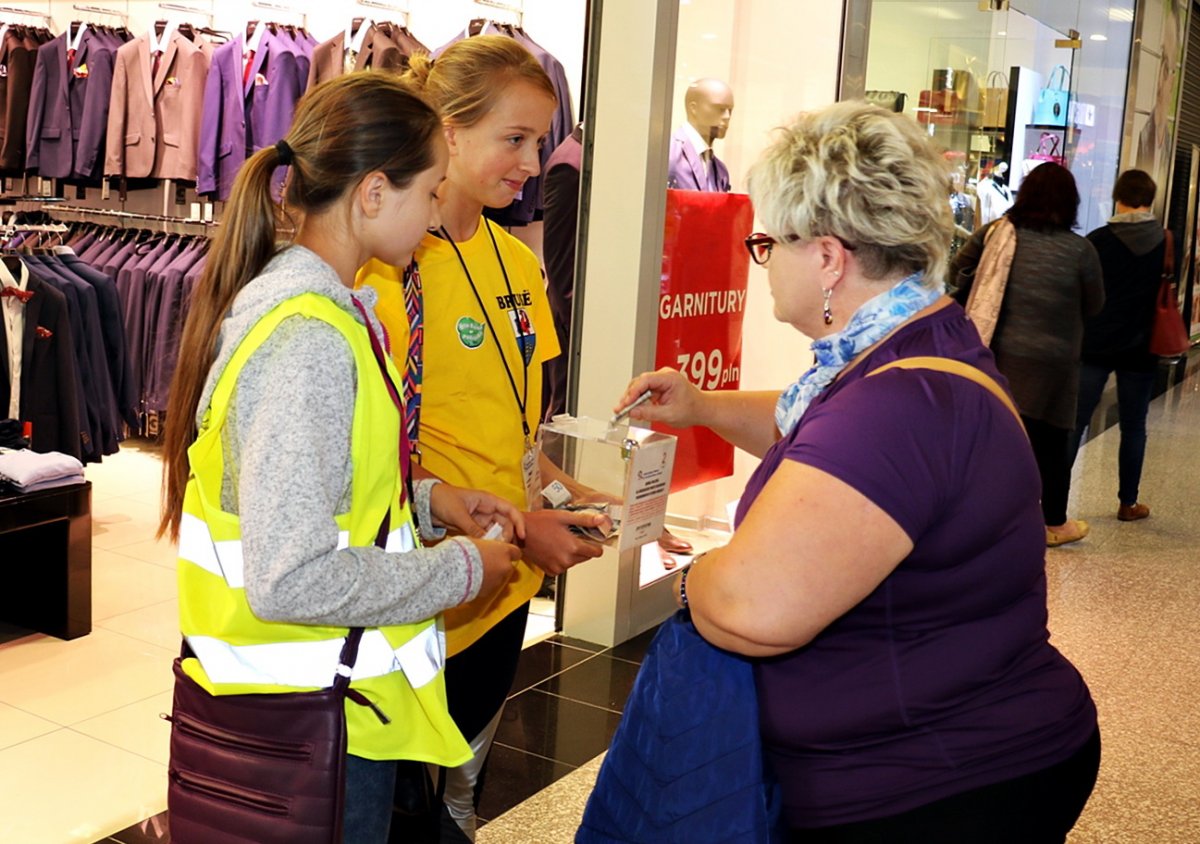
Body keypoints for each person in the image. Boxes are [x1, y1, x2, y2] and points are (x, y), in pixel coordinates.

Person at [615, 101, 1099, 841]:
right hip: (963, 751)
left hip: (936, 783)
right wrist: (703, 406)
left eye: (768, 242)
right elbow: (816, 427)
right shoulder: (912, 343)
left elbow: (752, 608)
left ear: (828, 258)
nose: (763, 262)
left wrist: (686, 578)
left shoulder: (902, 403)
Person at [158, 73, 526, 843]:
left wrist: (428, 503)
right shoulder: (309, 340)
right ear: (373, 193)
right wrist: (461, 571)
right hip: (309, 725)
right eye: (430, 193)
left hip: (320, 710)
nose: (436, 217)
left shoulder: (327, 314)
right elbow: (291, 575)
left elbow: (317, 489)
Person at [355, 36, 610, 841]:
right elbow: (374, 460)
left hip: (504, 588)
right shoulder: (383, 273)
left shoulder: (517, 263)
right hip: (421, 594)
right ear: (449, 132)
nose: (534, 163)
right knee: (401, 805)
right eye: (515, 139)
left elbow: (516, 429)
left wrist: (577, 498)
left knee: (462, 795)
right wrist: (520, 525)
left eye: (540, 140)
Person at [952, 162, 1104, 547]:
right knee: (1052, 443)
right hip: (1056, 362)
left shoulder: (996, 234)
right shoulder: (1081, 251)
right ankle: (1054, 524)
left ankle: (988, 519)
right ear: (1070, 203)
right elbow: (1096, 304)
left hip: (1000, 354)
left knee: (997, 438)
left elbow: (957, 270)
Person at [1070, 169, 1167, 522]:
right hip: (1141, 347)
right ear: (1150, 200)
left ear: (1117, 197)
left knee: (1076, 423)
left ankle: (1051, 504)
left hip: (1096, 343)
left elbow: (1082, 291)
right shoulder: (1166, 241)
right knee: (1134, 425)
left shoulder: (1097, 240)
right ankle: (1128, 503)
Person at [667, 77, 734, 192]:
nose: (727, 117)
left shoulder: (720, 170)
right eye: (720, 109)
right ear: (694, 108)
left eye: (730, 110)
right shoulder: (669, 155)